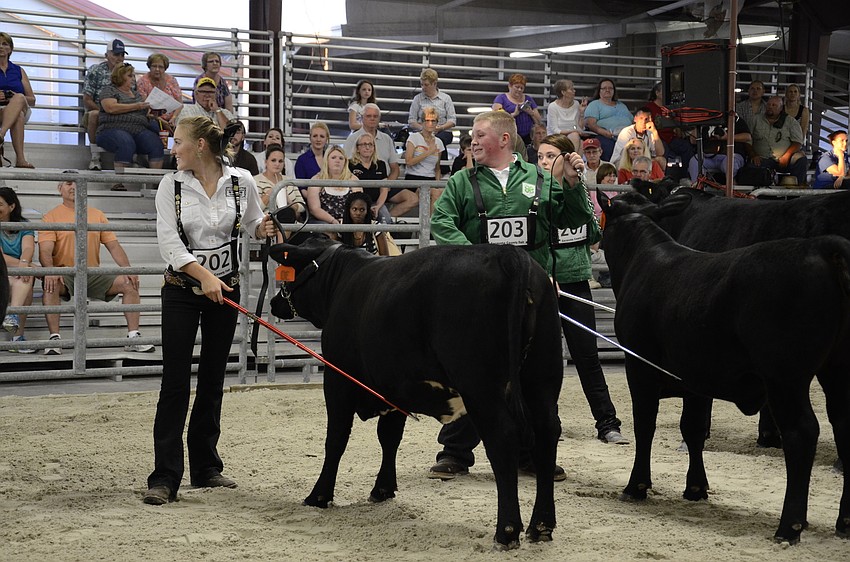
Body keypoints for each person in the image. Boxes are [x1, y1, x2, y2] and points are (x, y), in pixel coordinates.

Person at [428, 110, 593, 479]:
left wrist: (571, 184)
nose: (473, 141)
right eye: (472, 135)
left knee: (534, 376)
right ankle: (455, 451)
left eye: (480, 134)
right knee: (479, 374)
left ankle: (530, 453)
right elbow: (442, 221)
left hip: (533, 294)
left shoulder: (539, 177)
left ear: (504, 139)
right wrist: (475, 260)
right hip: (480, 297)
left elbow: (572, 220)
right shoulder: (460, 182)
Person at [144, 115, 277, 505]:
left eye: (178, 141)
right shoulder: (171, 186)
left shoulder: (242, 181)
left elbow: (252, 221)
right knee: (175, 381)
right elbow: (170, 245)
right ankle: (165, 475)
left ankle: (206, 467)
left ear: (200, 145)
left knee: (214, 376)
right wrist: (204, 276)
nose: (173, 148)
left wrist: (262, 229)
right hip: (183, 289)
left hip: (225, 289)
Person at [536, 134, 627, 444]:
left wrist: (578, 185)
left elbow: (594, 232)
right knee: (542, 359)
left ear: (565, 159)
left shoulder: (580, 190)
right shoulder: (532, 192)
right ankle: (548, 423)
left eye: (550, 156)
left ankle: (607, 422)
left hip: (575, 280)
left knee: (587, 356)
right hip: (542, 282)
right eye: (540, 157)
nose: (544, 162)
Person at [39, 172, 154, 355]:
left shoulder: (97, 214)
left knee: (129, 282)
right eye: (68, 183)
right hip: (66, 273)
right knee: (50, 284)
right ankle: (54, 339)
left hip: (92, 273)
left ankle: (133, 336)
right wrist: (51, 271)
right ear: (59, 189)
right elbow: (44, 250)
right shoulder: (50, 216)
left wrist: (128, 269)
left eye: (77, 183)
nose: (73, 187)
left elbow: (114, 246)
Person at [95, 63, 164, 173]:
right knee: (125, 142)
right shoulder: (109, 91)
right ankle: (119, 182)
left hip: (138, 129)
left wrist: (152, 113)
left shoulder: (137, 95)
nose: (133, 79)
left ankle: (155, 181)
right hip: (112, 129)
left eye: (133, 76)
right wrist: (136, 106)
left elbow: (143, 112)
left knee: (155, 143)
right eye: (129, 76)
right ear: (120, 76)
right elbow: (110, 108)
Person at [82, 39, 126, 170]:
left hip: (121, 111)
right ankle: (95, 157)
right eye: (116, 54)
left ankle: (130, 157)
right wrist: (105, 111)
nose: (119, 58)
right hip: (99, 111)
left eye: (122, 55)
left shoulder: (127, 73)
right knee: (94, 115)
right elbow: (87, 99)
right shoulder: (95, 71)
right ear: (107, 55)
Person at [1, 186, 35, 352]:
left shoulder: (24, 224)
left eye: (0, 204)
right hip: (2, 270)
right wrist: (25, 264)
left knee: (25, 279)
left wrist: (24, 262)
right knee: (25, 277)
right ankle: (16, 335)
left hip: (18, 272)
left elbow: (28, 248)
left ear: (11, 207)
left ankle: (13, 320)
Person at [746, 95, 807, 186]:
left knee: (801, 160)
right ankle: (758, 195)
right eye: (769, 105)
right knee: (750, 168)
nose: (770, 107)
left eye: (774, 105)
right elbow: (747, 140)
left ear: (781, 108)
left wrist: (787, 156)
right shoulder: (755, 120)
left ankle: (796, 191)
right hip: (762, 159)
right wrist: (753, 155)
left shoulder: (790, 121)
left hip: (783, 160)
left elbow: (798, 142)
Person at [408, 68, 456, 173]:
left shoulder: (445, 99)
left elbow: (452, 120)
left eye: (426, 85)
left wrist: (440, 128)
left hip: (442, 131)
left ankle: (440, 170)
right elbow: (411, 120)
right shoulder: (418, 99)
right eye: (422, 85)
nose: (423, 88)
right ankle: (420, 169)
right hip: (422, 131)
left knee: (439, 141)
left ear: (434, 83)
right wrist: (424, 129)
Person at [0, 32, 35, 168]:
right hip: (1, 111)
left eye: (4, 44)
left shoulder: (19, 70)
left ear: (10, 49)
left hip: (19, 105)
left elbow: (32, 100)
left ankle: (1, 134)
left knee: (19, 97)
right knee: (18, 116)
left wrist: (12, 95)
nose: (1, 47)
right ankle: (20, 159)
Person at [343, 103, 401, 181]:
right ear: (362, 118)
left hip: (384, 184)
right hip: (358, 184)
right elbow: (344, 167)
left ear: (379, 119)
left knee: (408, 193)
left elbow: (395, 169)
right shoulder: (352, 139)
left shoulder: (387, 139)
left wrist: (387, 187)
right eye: (368, 116)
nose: (372, 118)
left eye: (375, 116)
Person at [306, 145, 361, 228]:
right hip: (323, 222)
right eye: (333, 157)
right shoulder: (317, 179)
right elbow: (314, 209)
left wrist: (346, 221)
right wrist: (333, 221)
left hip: (349, 221)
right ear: (327, 160)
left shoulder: (353, 179)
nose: (337, 161)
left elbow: (359, 205)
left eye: (341, 158)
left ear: (345, 162)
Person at [404, 106, 443, 212]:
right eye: (427, 120)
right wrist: (428, 152)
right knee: (434, 193)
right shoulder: (414, 137)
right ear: (422, 122)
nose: (430, 123)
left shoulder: (439, 142)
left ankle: (432, 225)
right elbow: (409, 162)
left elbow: (437, 168)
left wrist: (438, 183)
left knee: (440, 192)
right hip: (414, 178)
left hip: (430, 179)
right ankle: (429, 226)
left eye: (433, 121)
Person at [687, 117, 751, 182]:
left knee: (729, 163)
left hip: (731, 154)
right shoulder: (706, 120)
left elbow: (747, 137)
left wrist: (727, 137)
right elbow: (693, 141)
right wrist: (699, 123)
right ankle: (697, 187)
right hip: (709, 156)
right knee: (694, 161)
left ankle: (732, 187)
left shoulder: (735, 119)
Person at [584, 78, 633, 162]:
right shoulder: (595, 105)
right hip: (607, 136)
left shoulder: (622, 105)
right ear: (599, 91)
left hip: (628, 136)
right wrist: (604, 133)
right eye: (604, 88)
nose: (607, 90)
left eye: (610, 88)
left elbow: (633, 121)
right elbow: (591, 124)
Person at [347, 131, 393, 222]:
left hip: (376, 202)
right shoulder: (350, 164)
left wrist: (378, 206)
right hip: (356, 203)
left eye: (370, 144)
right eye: (364, 144)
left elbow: (384, 189)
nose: (367, 147)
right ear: (357, 148)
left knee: (386, 219)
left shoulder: (381, 164)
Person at [492, 73, 542, 145]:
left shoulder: (528, 99)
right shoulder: (501, 98)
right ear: (510, 86)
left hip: (528, 137)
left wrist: (531, 113)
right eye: (517, 87)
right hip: (509, 136)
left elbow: (539, 121)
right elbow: (496, 118)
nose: (519, 90)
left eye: (522, 88)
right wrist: (514, 114)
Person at [254, 144, 306, 213]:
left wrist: (288, 201)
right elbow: (254, 209)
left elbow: (302, 207)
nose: (277, 164)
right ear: (266, 162)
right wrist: (270, 193)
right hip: (266, 221)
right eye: (273, 160)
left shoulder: (290, 181)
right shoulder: (255, 180)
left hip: (290, 221)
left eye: (280, 161)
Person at [135, 53, 183, 126]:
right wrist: (162, 122)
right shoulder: (142, 82)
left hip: (173, 119)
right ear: (149, 67)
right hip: (152, 119)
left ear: (165, 68)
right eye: (154, 66)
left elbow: (180, 104)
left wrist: (173, 118)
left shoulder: (171, 80)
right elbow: (145, 108)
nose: (157, 69)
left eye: (160, 67)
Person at [339, 191, 390, 256]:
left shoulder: (376, 227)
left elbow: (385, 257)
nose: (358, 213)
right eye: (354, 209)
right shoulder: (340, 227)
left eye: (362, 210)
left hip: (372, 265)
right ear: (349, 210)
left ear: (367, 211)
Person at [546, 78, 587, 154]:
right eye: (571, 89)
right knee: (575, 136)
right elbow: (555, 130)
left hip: (573, 137)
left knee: (582, 144)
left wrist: (581, 113)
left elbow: (579, 128)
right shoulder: (553, 107)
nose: (574, 91)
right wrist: (573, 131)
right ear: (563, 92)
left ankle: (571, 161)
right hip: (556, 137)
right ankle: (570, 160)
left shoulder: (576, 104)